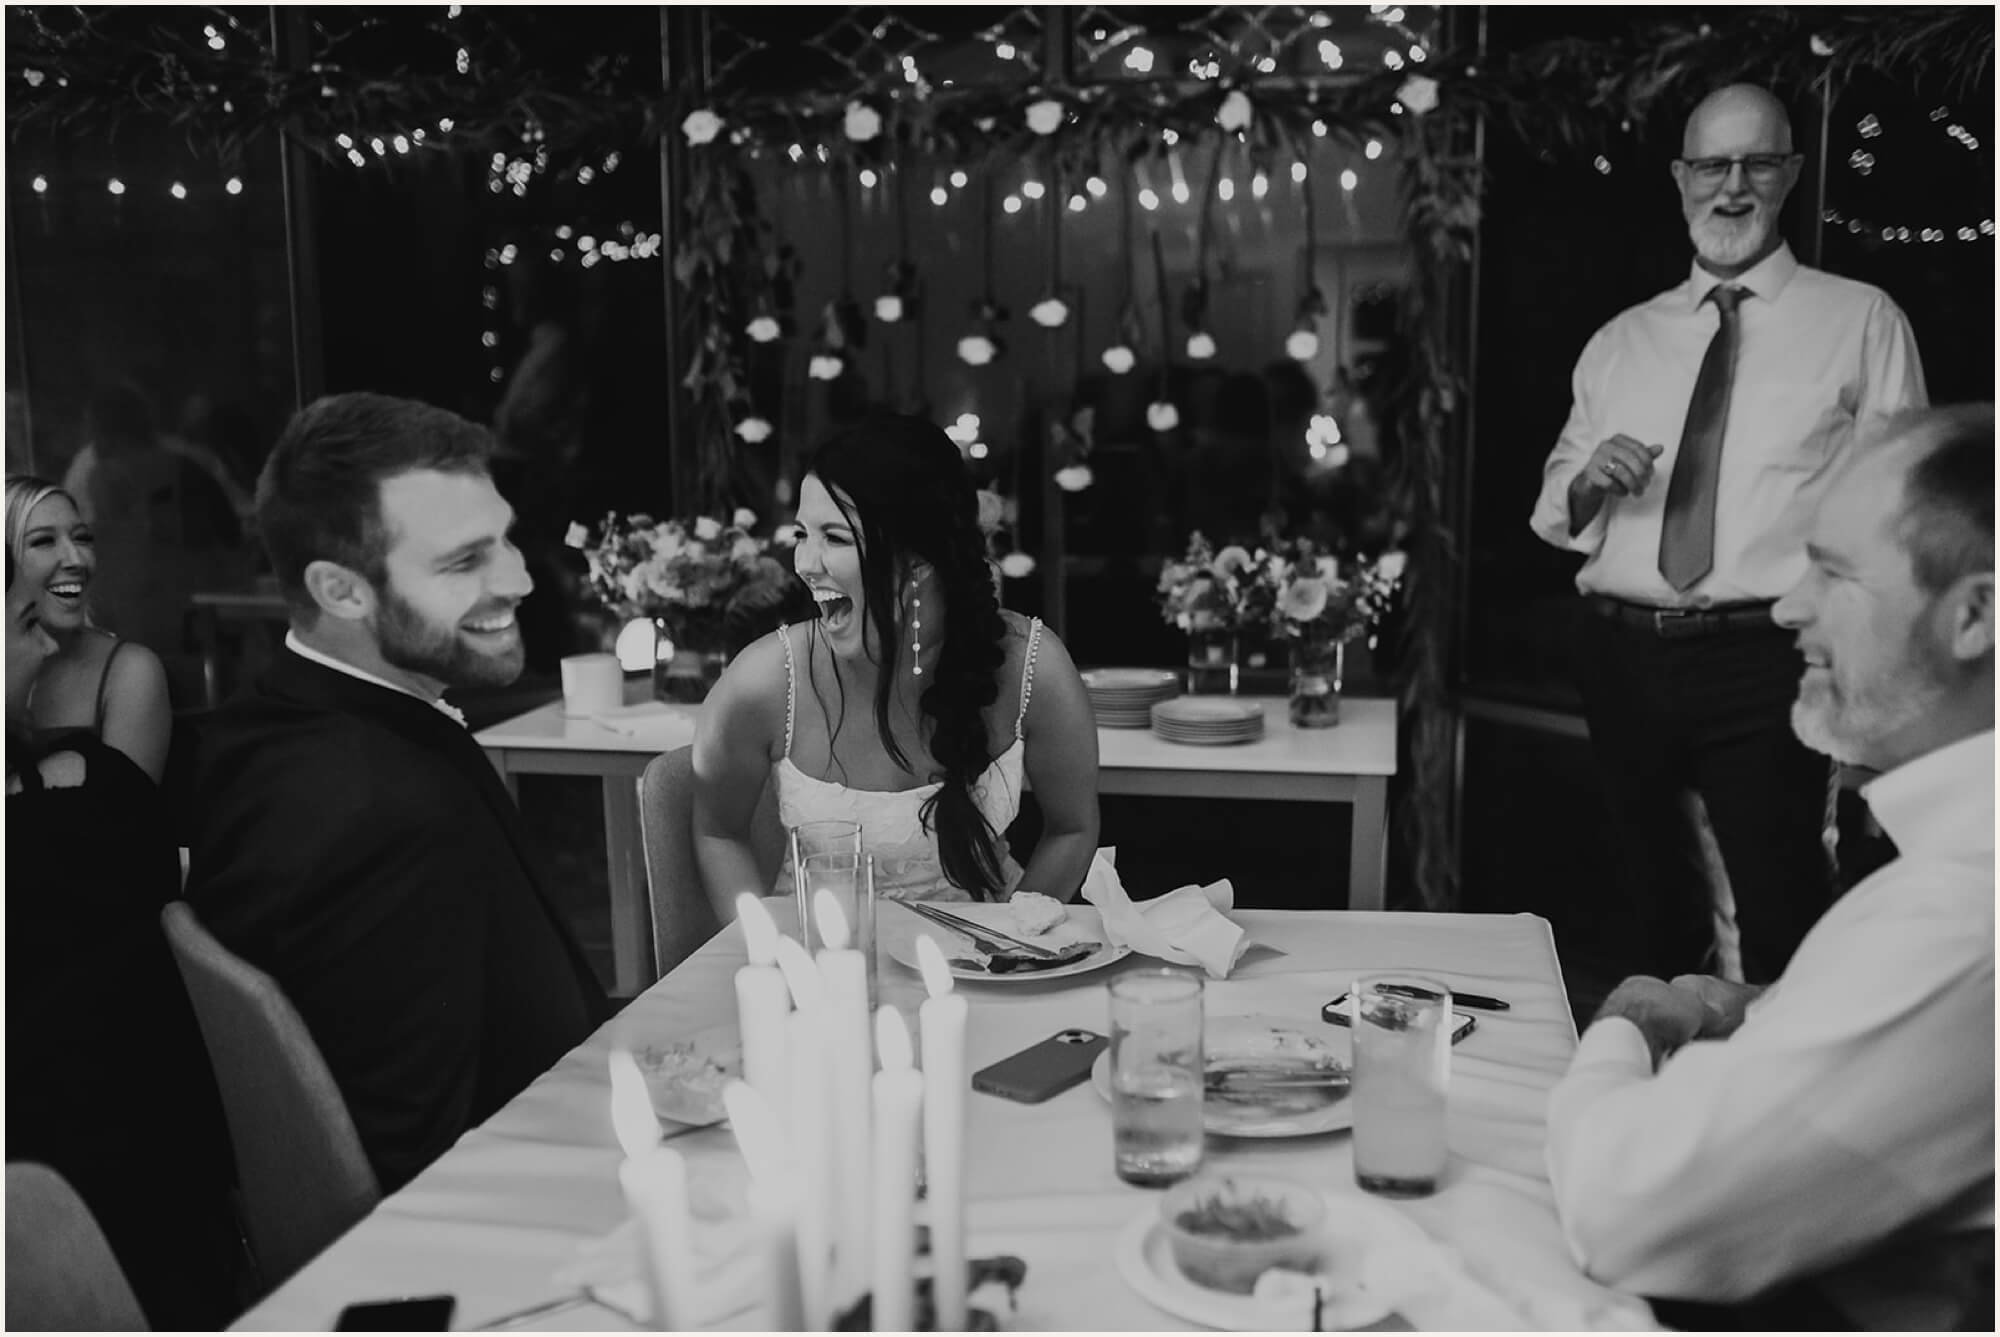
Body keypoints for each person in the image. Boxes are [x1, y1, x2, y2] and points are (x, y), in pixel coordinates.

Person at [1545, 405, 1994, 1328]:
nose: (1788, 606)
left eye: (1832, 572)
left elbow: (1624, 1205)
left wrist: (1625, 1025)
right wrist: (1738, 1007)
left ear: (1977, 613)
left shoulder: (1963, 911)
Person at [1527, 83, 1928, 984]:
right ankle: (1658, 1103)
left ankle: (1772, 1108)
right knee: (1642, 905)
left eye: (1756, 163)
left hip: (1767, 657)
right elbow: (1559, 507)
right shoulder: (1623, 340)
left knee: (1779, 906)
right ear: (1681, 178)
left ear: (1790, 174)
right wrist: (1592, 481)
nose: (1732, 186)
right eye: (1712, 164)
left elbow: (1897, 515)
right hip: (1621, 653)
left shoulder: (1861, 321)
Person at [183, 391, 609, 1194]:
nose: (519, 578)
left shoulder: (263, 724)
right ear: (342, 590)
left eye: (505, 539)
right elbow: (419, 1166)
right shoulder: (386, 813)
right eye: (462, 561)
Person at [692, 411, 1099, 914]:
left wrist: (1015, 940)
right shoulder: (763, 683)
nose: (804, 563)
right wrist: (768, 957)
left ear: (919, 558)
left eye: (835, 538)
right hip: (827, 966)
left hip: (983, 969)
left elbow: (1073, 827)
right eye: (801, 534)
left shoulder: (1032, 666)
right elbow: (717, 832)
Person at [5, 547, 243, 1327]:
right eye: (20, 625)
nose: (44, 645)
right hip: (114, 1183)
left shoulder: (79, 789)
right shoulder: (88, 806)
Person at [4, 475, 173, 782]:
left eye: (81, 538)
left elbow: (129, 820)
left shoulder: (131, 672)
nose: (75, 560)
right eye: (43, 541)